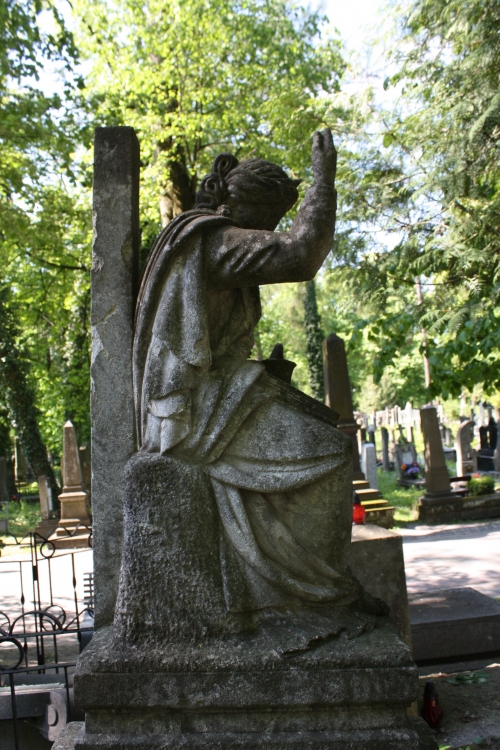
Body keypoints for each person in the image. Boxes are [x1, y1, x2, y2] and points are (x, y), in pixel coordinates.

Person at [133, 129, 386, 617]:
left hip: (217, 396)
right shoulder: (218, 242)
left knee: (320, 424)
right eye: (267, 220)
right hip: (192, 415)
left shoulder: (206, 241)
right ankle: (318, 593)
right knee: (333, 454)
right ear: (238, 207)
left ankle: (299, 584)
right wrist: (323, 181)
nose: (268, 233)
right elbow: (301, 253)